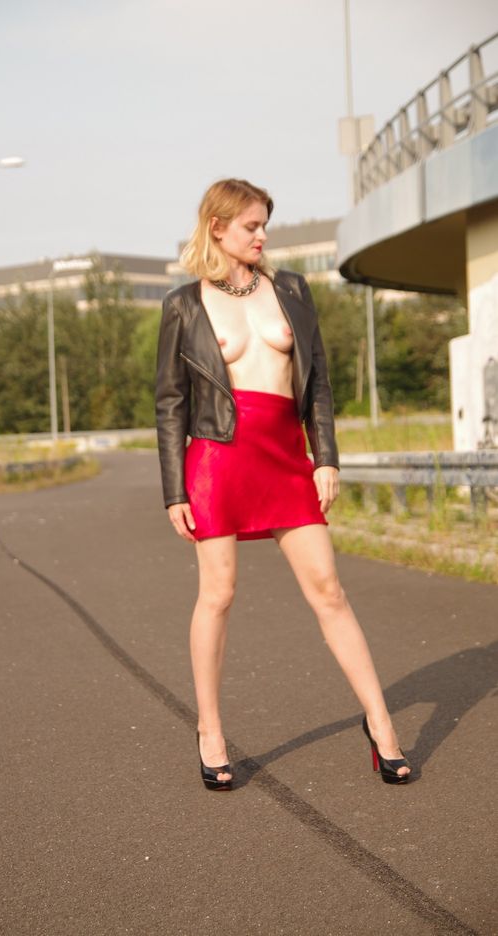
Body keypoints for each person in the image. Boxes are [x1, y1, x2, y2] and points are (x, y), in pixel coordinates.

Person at [155, 178, 411, 790]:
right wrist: (174, 490)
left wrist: (326, 456)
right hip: (216, 460)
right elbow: (170, 402)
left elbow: (317, 381)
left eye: (265, 223)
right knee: (217, 594)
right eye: (251, 225)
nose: (263, 236)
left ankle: (381, 723)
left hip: (285, 457)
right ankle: (210, 730)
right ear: (218, 227)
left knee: (329, 590)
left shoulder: (290, 290)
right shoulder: (184, 304)